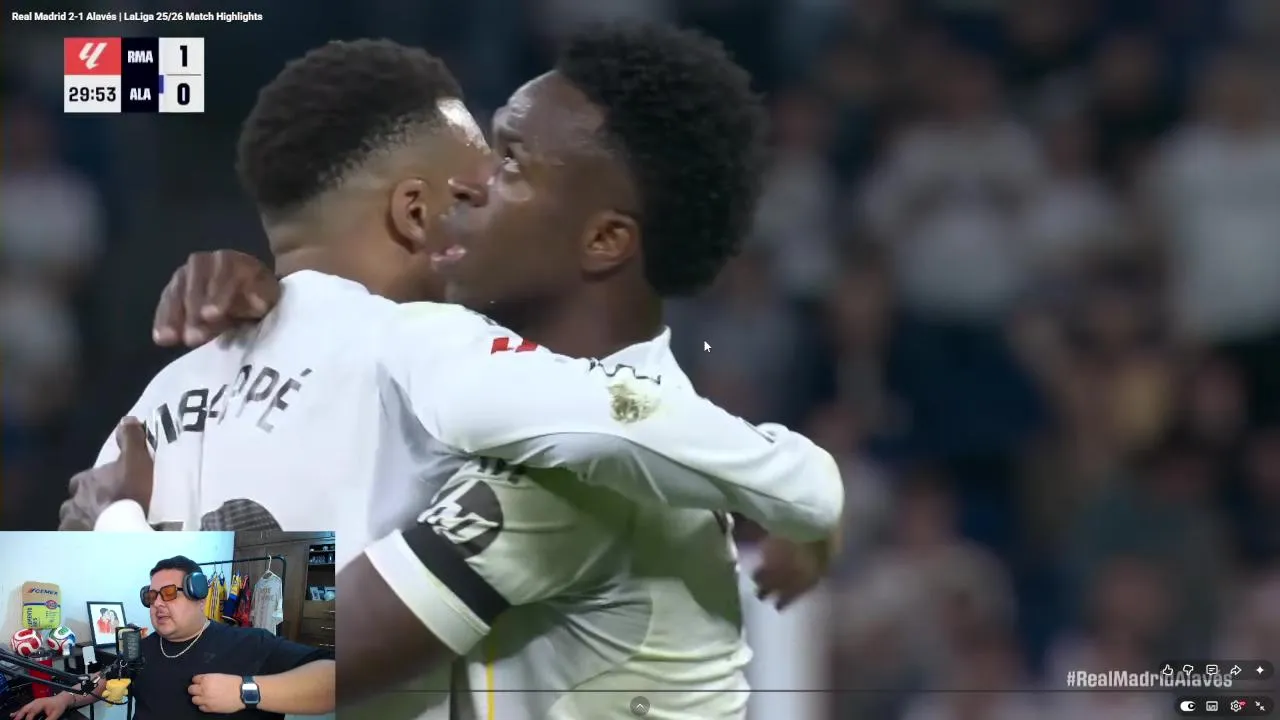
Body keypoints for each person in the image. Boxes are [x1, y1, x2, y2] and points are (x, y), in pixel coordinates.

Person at [146, 24, 835, 718]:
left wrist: (118, 538)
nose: (470, 187)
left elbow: (304, 657)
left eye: (510, 163)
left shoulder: (569, 470)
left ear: (603, 239)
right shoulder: (549, 397)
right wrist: (291, 307)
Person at [59, 39, 840, 543]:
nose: (488, 203)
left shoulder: (152, 410)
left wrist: (121, 532)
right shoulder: (434, 351)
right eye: (476, 187)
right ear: (417, 214)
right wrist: (793, 477)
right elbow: (282, 668)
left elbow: (62, 682)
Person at [10, 556, 333, 720]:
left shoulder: (251, 644)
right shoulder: (141, 648)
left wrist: (246, 691)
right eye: (152, 596)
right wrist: (64, 699)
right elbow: (106, 681)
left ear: (199, 595)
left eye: (168, 593)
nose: (157, 603)